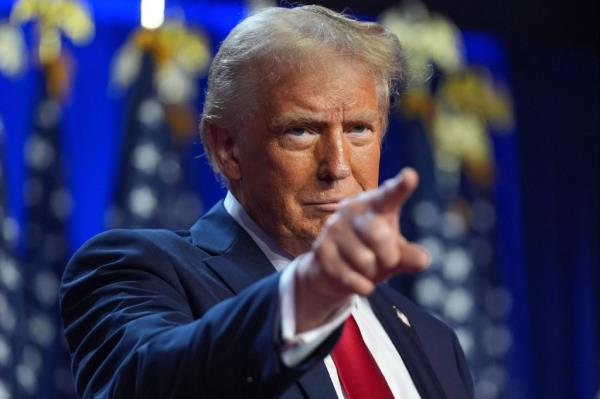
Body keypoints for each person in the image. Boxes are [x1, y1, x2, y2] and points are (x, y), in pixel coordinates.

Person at [60, 5, 473, 398]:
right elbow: (147, 384)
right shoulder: (133, 269)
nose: (338, 166)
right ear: (228, 148)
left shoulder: (435, 342)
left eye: (359, 129)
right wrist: (308, 296)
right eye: (301, 131)